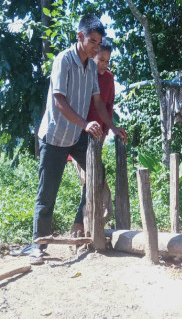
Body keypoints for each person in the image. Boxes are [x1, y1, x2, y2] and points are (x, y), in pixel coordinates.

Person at [30, 14, 127, 265]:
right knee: (47, 192)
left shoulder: (91, 69)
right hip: (54, 137)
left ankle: (80, 223)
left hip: (76, 137)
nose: (96, 47)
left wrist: (113, 127)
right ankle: (38, 244)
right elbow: (59, 101)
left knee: (97, 176)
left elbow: (98, 103)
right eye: (93, 42)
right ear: (80, 36)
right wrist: (85, 124)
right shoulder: (63, 60)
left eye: (99, 43)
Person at [69, 37, 115, 235]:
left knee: (97, 180)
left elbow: (108, 107)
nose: (104, 64)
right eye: (101, 60)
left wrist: (105, 132)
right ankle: (81, 226)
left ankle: (95, 226)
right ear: (92, 57)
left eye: (107, 61)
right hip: (78, 138)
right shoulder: (83, 75)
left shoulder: (109, 78)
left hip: (97, 139)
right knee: (91, 181)